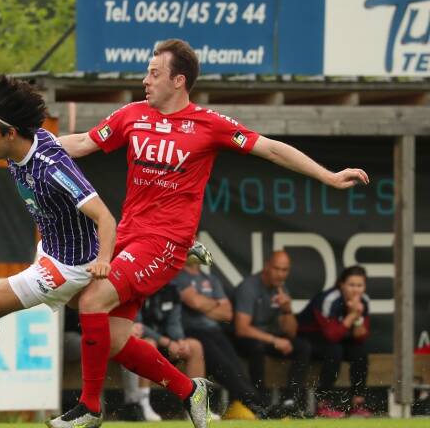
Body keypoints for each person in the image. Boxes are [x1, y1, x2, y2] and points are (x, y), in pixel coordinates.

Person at [49, 38, 368, 428]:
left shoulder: (208, 124)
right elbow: (81, 143)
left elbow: (270, 149)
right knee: (113, 341)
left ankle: (90, 408)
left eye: (153, 73)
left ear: (178, 81)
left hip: (166, 243)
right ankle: (189, 390)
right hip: (129, 236)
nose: (144, 80)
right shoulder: (132, 115)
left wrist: (328, 176)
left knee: (92, 300)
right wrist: (30, 149)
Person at [0, 75, 117, 405]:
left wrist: (104, 261)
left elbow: (105, 217)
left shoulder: (53, 168)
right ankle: (181, 385)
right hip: (50, 250)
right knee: (110, 332)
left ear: (10, 134)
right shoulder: (19, 141)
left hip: (69, 267)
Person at [175, 259, 267, 419]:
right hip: (192, 332)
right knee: (224, 368)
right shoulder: (178, 276)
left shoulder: (211, 279)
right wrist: (214, 304)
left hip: (215, 331)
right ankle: (257, 406)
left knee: (237, 369)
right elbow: (195, 302)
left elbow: (227, 313)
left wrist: (204, 305)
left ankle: (255, 405)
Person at [233, 251, 311, 417]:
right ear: (267, 267)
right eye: (277, 269)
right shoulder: (249, 287)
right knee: (257, 347)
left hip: (269, 338)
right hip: (245, 340)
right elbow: (241, 328)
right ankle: (261, 402)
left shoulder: (281, 289)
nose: (281, 274)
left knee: (303, 347)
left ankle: (290, 401)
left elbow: (291, 331)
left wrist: (287, 310)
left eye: (285, 270)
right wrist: (275, 340)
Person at [121, 282, 205, 422]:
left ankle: (196, 405)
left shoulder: (172, 290)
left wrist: (179, 339)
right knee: (147, 344)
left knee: (195, 346)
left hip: (167, 343)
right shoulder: (138, 287)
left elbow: (174, 322)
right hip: (146, 341)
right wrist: (165, 341)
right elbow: (138, 326)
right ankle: (143, 403)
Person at [297, 265, 372, 417]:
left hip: (337, 339)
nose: (356, 290)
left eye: (360, 285)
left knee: (360, 351)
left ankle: (358, 403)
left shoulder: (364, 301)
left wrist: (357, 318)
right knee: (334, 351)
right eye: (351, 285)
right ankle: (322, 404)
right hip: (310, 338)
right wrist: (351, 316)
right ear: (341, 284)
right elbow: (331, 335)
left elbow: (362, 336)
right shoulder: (329, 299)